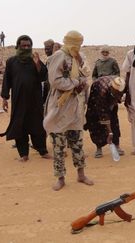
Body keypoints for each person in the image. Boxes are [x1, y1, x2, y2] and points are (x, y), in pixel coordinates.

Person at [44, 30, 93, 191]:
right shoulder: (58, 56)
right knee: (58, 144)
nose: (78, 46)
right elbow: (55, 80)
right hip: (60, 105)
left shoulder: (80, 56)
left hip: (76, 105)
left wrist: (82, 84)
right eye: (76, 43)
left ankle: (81, 174)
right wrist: (75, 82)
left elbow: (86, 74)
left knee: (77, 142)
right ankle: (60, 178)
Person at [0, 35, 50, 161]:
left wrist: (37, 64)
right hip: (18, 100)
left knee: (38, 125)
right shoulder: (11, 61)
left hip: (35, 100)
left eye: (28, 45)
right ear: (18, 46)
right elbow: (7, 80)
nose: (26, 48)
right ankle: (23, 154)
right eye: (24, 45)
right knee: (19, 126)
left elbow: (44, 76)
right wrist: (5, 98)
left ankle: (43, 151)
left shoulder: (35, 60)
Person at [85, 76, 126, 158]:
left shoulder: (122, 86)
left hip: (110, 99)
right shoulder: (101, 92)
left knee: (114, 120)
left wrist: (117, 99)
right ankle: (99, 148)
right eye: (117, 94)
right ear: (112, 89)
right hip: (96, 99)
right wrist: (109, 132)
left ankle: (117, 146)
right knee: (96, 122)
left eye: (119, 94)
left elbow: (122, 96)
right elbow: (103, 114)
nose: (119, 95)